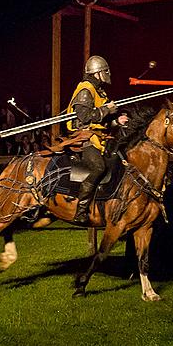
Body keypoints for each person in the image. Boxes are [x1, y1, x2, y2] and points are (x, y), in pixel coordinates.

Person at [66, 55, 128, 225]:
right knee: (98, 167)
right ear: (98, 73)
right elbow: (85, 116)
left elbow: (100, 121)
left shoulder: (99, 91)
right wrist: (106, 110)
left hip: (99, 137)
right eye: (104, 71)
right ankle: (82, 210)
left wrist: (116, 121)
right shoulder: (85, 89)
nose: (107, 74)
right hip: (84, 137)